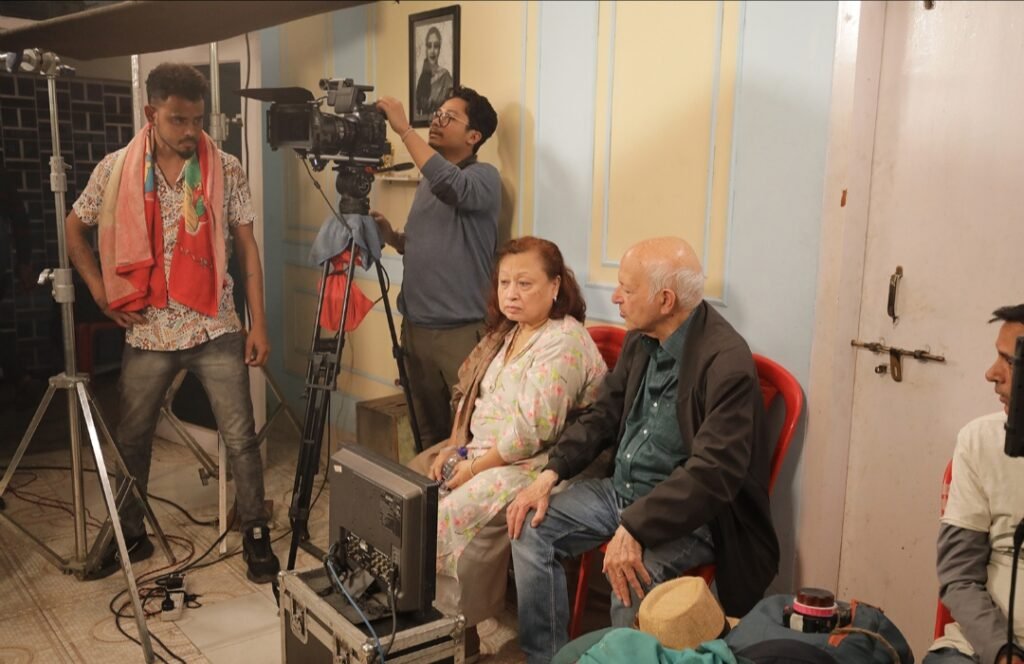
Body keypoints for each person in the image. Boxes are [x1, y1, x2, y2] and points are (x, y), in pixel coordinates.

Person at [507, 237, 780, 663]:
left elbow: (713, 474)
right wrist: (550, 473)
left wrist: (636, 527)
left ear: (665, 300)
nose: (615, 297)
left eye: (627, 289)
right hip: (621, 491)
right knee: (528, 526)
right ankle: (548, 658)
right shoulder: (642, 338)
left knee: (631, 574)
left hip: (691, 516)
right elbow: (603, 414)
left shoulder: (725, 361)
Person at [65, 63, 280, 583]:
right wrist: (100, 292)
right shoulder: (116, 168)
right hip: (148, 331)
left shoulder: (225, 167)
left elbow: (247, 246)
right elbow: (73, 228)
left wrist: (259, 324)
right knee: (132, 439)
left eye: (197, 120)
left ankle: (255, 531)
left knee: (240, 437)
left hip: (215, 326)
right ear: (151, 112)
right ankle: (129, 535)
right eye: (178, 120)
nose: (190, 131)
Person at [408, 236, 607, 652]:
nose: (511, 294)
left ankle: (457, 631)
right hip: (488, 450)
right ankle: (429, 617)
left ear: (555, 286)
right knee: (409, 486)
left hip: (543, 462)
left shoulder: (562, 341)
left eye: (525, 283)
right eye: (504, 283)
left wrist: (472, 468)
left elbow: (531, 432)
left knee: (448, 513)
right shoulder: (509, 332)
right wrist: (454, 446)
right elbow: (475, 399)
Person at [372, 87, 501, 448]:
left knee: (467, 439)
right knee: (425, 435)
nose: (436, 121)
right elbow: (426, 242)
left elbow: (452, 185)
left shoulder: (484, 178)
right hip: (416, 330)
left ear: (473, 136)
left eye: (449, 117)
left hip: (461, 333)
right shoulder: (429, 182)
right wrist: (393, 237)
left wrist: (404, 130)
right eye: (437, 114)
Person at [925, 305, 1024, 664]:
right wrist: (1003, 653)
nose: (991, 374)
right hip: (982, 648)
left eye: (1009, 361)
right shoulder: (980, 441)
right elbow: (959, 575)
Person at [414, 26, 454, 119]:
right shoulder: (422, 79)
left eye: (436, 46)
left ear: (439, 49)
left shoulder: (445, 77)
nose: (432, 51)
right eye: (429, 46)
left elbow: (451, 110)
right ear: (426, 49)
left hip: (442, 124)